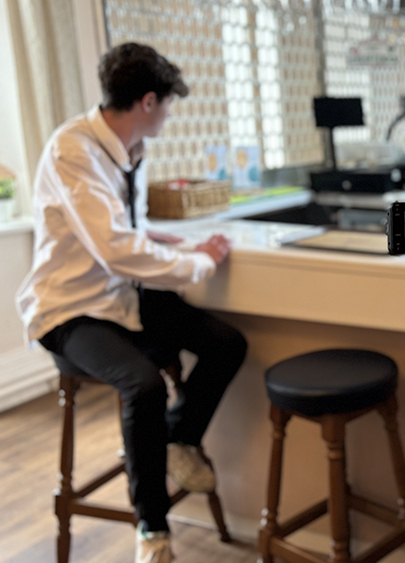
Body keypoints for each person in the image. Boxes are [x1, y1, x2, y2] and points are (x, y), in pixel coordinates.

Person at [15, 43, 247, 563]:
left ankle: (176, 440)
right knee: (142, 386)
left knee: (225, 344)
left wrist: (166, 240)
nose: (168, 113)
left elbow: (122, 231)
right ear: (148, 102)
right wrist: (200, 262)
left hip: (119, 297)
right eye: (167, 104)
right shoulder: (72, 149)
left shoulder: (130, 149)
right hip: (69, 310)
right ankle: (152, 529)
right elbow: (115, 249)